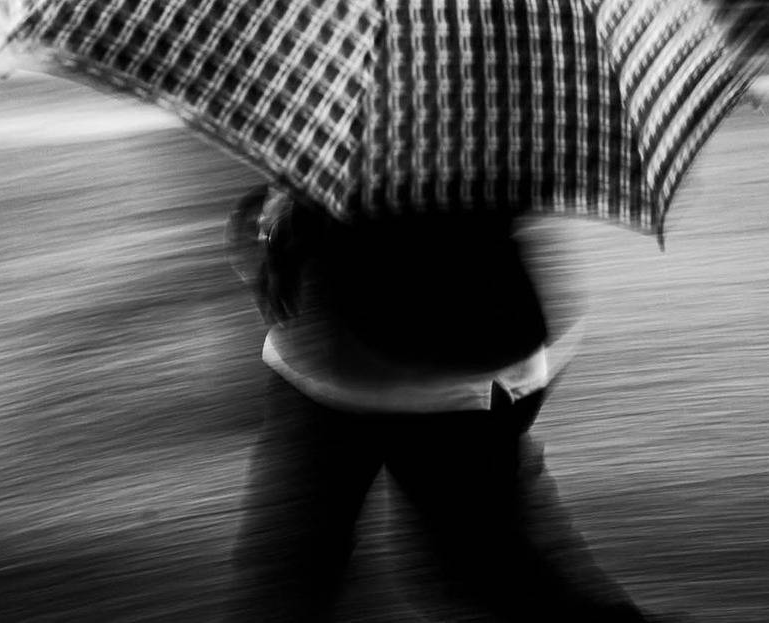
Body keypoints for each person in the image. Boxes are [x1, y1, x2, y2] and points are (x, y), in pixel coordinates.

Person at [223, 184, 663, 622]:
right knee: (486, 571)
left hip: (400, 370)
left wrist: (285, 222)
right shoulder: (465, 136)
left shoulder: (396, 144)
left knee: (302, 574)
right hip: (405, 366)